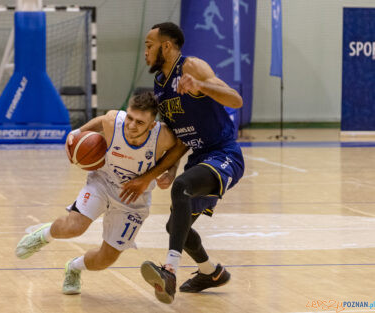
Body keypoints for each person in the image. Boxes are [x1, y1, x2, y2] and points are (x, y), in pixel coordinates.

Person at [120, 22, 245, 304]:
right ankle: (211, 272)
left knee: (182, 188)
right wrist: (161, 172)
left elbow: (236, 100)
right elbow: (180, 140)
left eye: (149, 46)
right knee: (175, 227)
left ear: (166, 46)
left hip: (224, 154)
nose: (145, 52)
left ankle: (169, 271)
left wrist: (202, 85)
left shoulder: (193, 67)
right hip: (199, 157)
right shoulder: (160, 86)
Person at [15, 92, 177, 295]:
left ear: (152, 125)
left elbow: (176, 150)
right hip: (102, 183)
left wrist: (171, 173)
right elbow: (101, 121)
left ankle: (73, 267)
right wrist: (76, 133)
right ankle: (43, 236)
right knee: (74, 227)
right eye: (130, 118)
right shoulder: (114, 121)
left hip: (133, 201)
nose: (132, 125)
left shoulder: (162, 136)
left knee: (105, 260)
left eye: (140, 122)